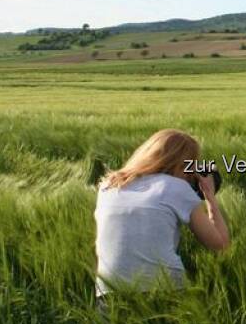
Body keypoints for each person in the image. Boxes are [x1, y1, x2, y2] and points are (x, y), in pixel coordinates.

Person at [94, 129, 230, 303]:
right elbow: (220, 245)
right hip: (163, 292)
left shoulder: (107, 186)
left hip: (108, 295)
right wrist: (209, 196)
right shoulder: (176, 188)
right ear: (181, 164)